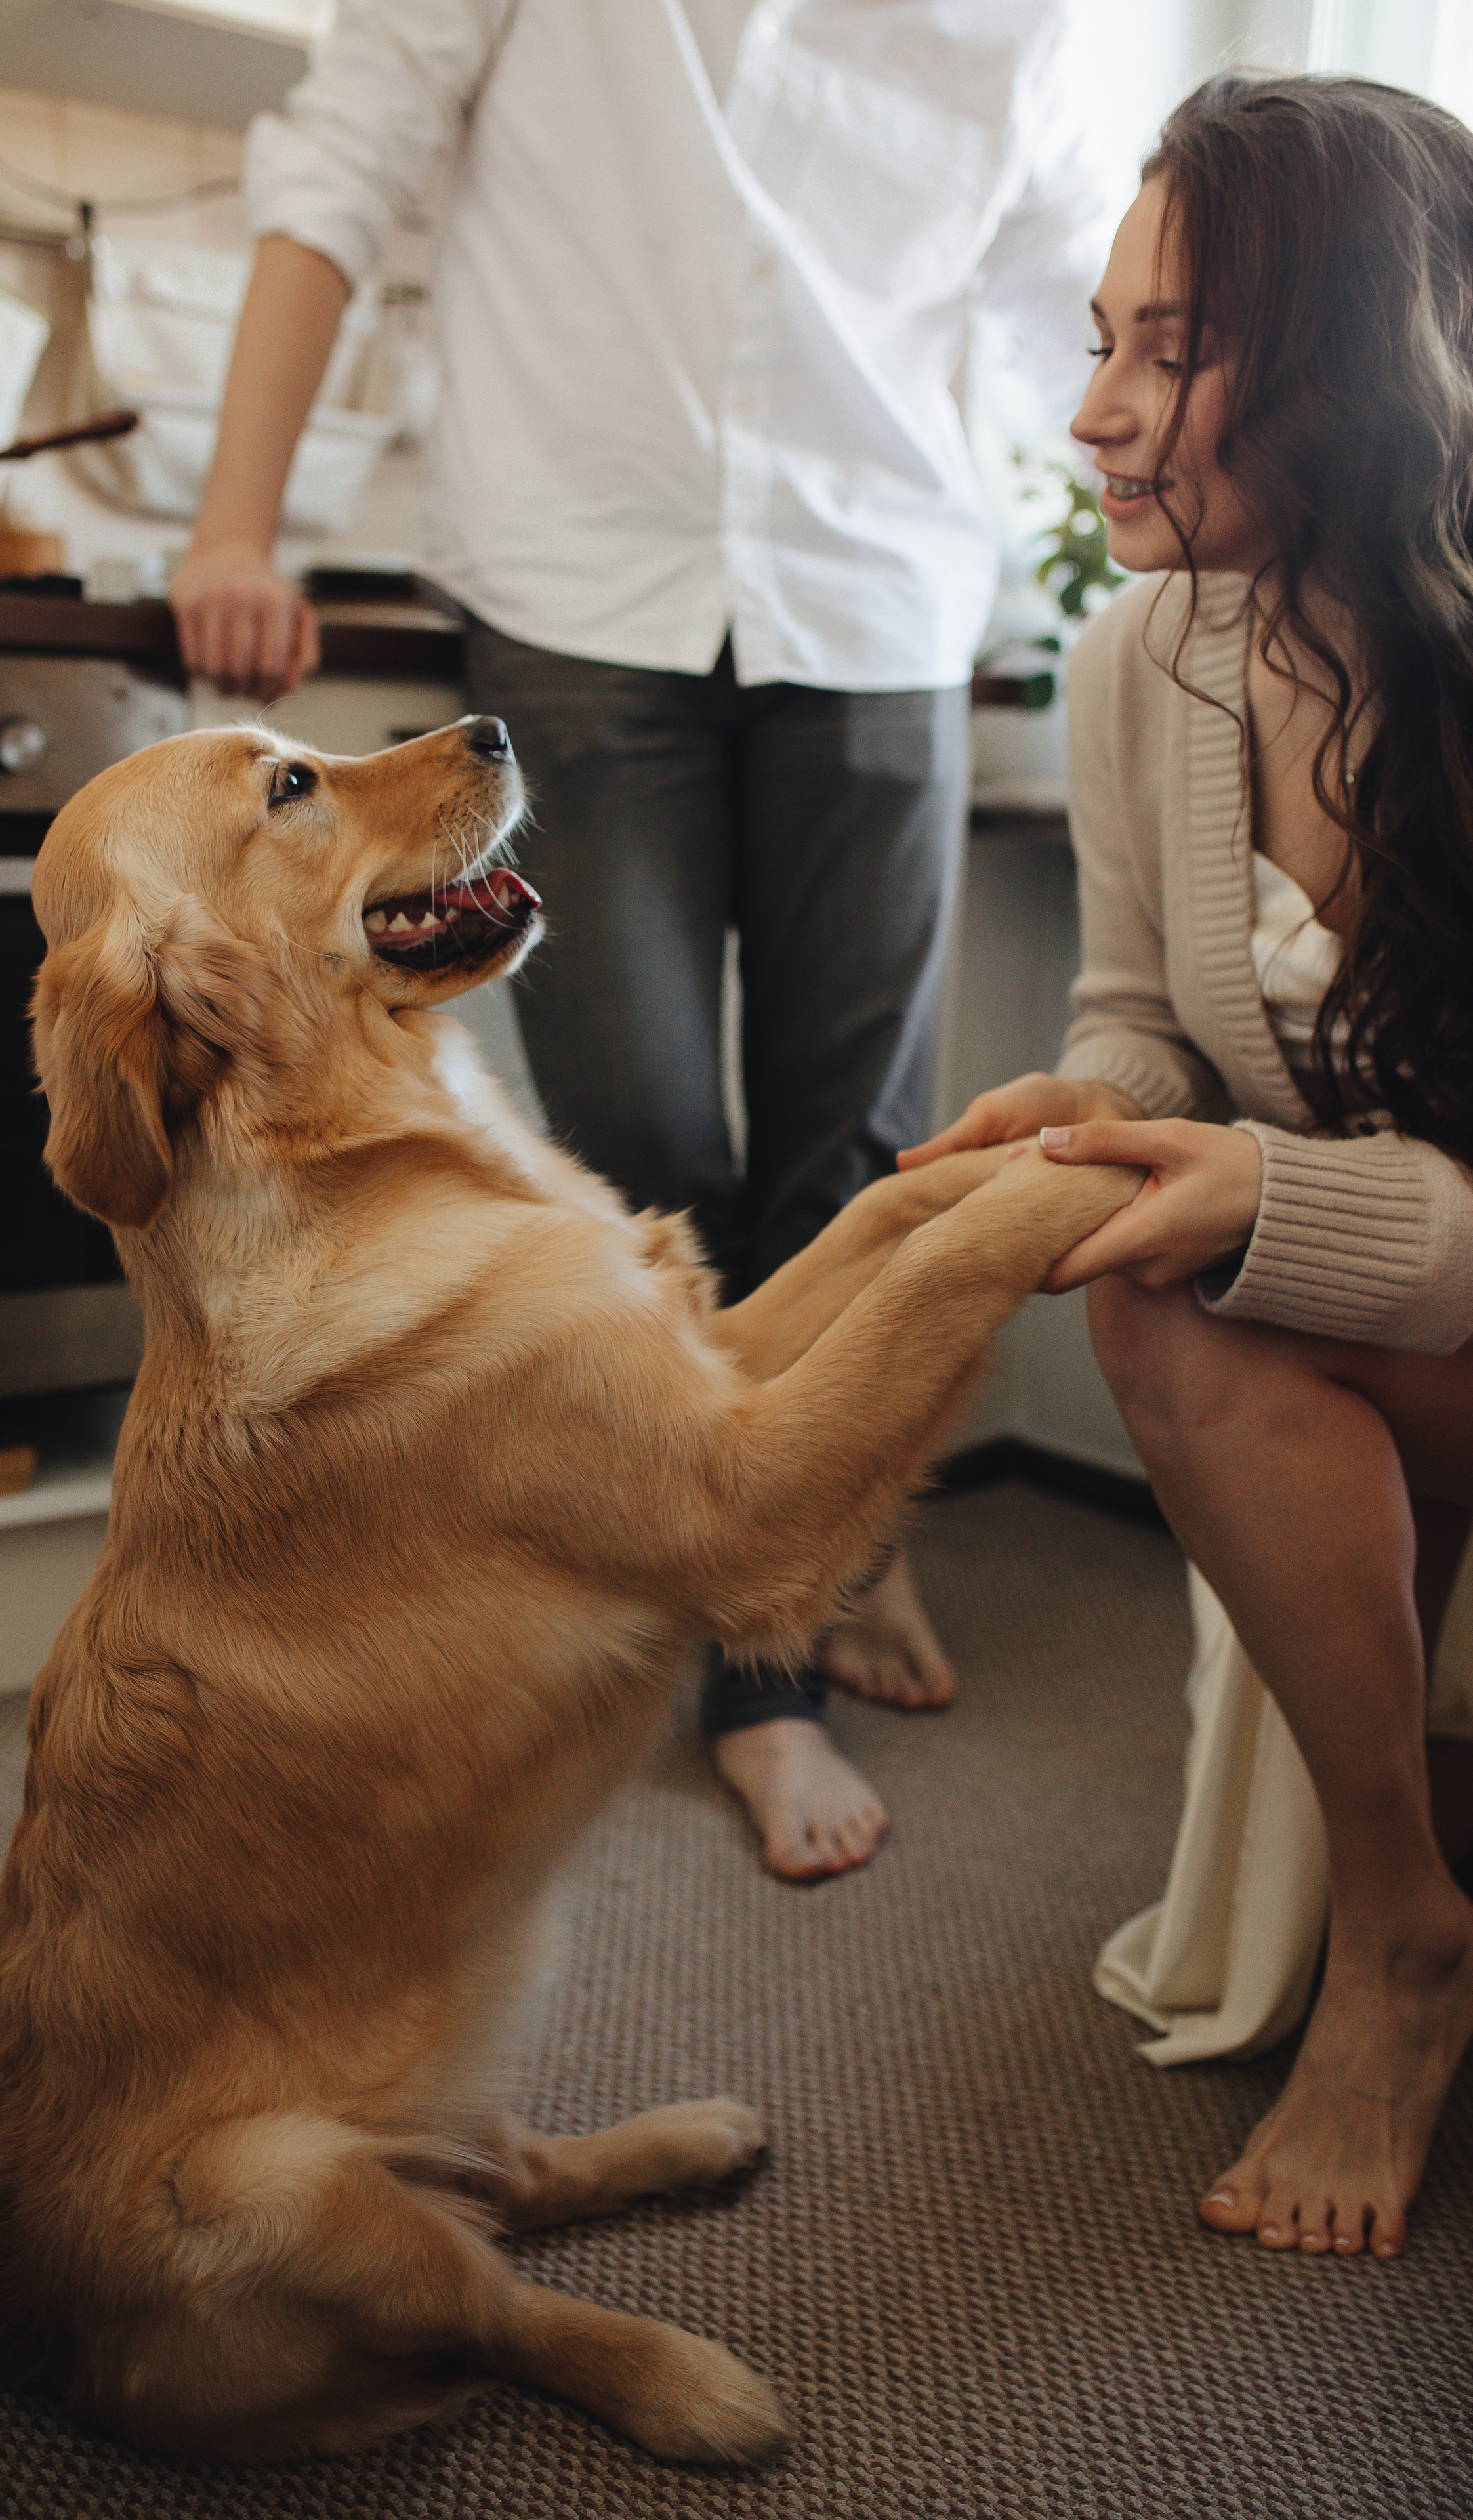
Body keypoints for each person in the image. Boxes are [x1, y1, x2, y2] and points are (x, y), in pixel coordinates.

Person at [171, 0, 1109, 1881]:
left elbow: (1069, 310)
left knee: (864, 1154)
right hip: (587, 574)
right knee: (656, 1152)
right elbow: (342, 160)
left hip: (880, 590)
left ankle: (816, 1593)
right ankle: (763, 1603)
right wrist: (236, 521)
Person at [903, 73, 1473, 2256]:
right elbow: (1142, 1010)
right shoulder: (1141, 656)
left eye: (1175, 349)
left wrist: (1264, 1198)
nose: (1098, 418)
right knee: (1130, 1261)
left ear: (1349, 361)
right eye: (1099, 342)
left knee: (1197, 1258)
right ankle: (1407, 1927)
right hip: (1403, 1322)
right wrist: (1096, 1108)